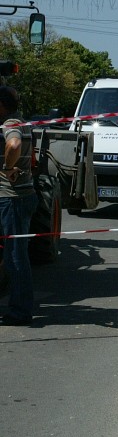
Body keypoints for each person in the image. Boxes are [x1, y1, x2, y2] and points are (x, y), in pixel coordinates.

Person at [0, 86, 39, 326]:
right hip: (19, 197)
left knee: (15, 257)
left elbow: (13, 145)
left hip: (11, 198)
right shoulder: (22, 122)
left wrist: (6, 167)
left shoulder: (11, 124)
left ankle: (20, 311)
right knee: (15, 255)